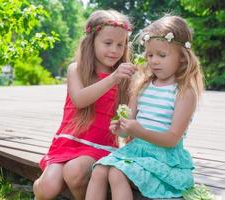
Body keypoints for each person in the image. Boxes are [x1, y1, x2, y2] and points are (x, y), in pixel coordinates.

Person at [86, 15, 204, 200]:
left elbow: (172, 139)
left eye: (161, 55)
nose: (154, 61)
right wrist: (121, 129)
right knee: (100, 170)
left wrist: (138, 132)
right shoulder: (142, 86)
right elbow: (129, 127)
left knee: (116, 173)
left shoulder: (184, 92)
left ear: (182, 57)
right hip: (136, 151)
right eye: (150, 55)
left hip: (163, 157)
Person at [33, 9, 136, 200]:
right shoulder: (77, 69)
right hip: (67, 142)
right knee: (46, 188)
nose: (114, 50)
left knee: (74, 172)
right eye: (108, 43)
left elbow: (127, 120)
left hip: (100, 146)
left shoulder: (125, 79)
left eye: (120, 45)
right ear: (91, 42)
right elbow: (80, 100)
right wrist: (113, 78)